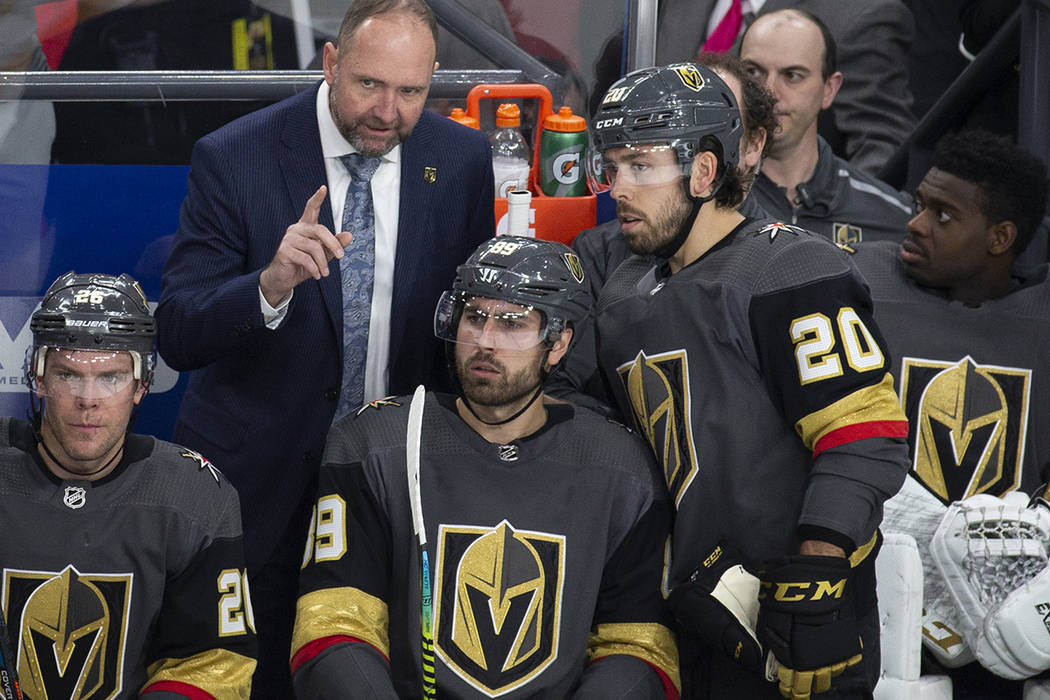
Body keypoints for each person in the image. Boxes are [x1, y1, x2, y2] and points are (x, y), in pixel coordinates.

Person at [155, 0, 495, 695]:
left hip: (391, 486)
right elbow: (180, 330)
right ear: (331, 64)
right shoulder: (234, 156)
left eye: (411, 92)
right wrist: (269, 286)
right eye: (370, 84)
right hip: (257, 486)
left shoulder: (458, 159)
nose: (388, 112)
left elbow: (457, 331)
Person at [588, 62, 910, 699]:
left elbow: (863, 435)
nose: (618, 188)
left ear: (705, 172)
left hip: (800, 610)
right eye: (612, 165)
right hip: (688, 617)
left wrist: (819, 566)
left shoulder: (791, 267)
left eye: (641, 166)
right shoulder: (624, 290)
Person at [291, 236, 680, 698]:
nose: (484, 341)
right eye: (474, 317)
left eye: (513, 323)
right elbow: (332, 626)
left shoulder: (621, 468)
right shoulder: (375, 443)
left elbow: (640, 649)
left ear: (558, 344)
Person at [847, 130, 1050, 699]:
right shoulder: (860, 286)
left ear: (999, 237)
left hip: (1013, 609)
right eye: (918, 206)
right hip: (875, 590)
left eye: (943, 215)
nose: (915, 224)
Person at [0, 271, 255, 699]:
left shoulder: (194, 496)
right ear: (38, 378)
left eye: (111, 377)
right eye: (68, 375)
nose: (88, 399)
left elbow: (212, 663)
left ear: (141, 385)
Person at [553, 51, 776, 413]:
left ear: (749, 145)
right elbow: (558, 389)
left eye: (719, 126)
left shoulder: (784, 262)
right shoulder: (599, 254)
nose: (620, 188)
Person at [653, 0, 915, 176]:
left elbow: (880, 149)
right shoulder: (673, 5)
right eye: (754, 72)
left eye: (792, 75)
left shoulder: (860, 14)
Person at [739, 8, 913, 246]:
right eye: (753, 72)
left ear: (830, 89)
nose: (769, 92)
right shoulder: (701, 199)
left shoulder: (892, 218)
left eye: (792, 75)